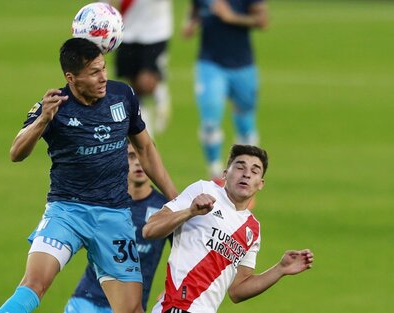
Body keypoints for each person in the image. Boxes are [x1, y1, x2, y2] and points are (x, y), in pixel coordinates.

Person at [0, 38, 177, 313]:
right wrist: (43, 120)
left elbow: (145, 148)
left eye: (103, 68)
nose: (103, 77)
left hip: (114, 216)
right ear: (71, 78)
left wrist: (175, 200)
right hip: (67, 211)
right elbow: (16, 152)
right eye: (94, 73)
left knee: (130, 308)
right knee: (33, 284)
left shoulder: (123, 96)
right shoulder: (54, 106)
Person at [143, 144, 314, 313]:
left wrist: (280, 269)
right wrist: (190, 212)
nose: (246, 174)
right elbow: (149, 229)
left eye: (254, 171)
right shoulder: (205, 190)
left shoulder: (252, 229)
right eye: (240, 167)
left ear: (260, 184)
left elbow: (237, 291)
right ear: (225, 173)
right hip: (178, 307)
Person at [64, 141, 172, 313]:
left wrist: (171, 290)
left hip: (130, 307)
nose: (138, 162)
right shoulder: (106, 200)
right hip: (87, 300)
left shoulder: (165, 207)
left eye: (142, 156)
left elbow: (185, 253)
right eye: (130, 156)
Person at [182, 0, 269, 183]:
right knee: (210, 121)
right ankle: (215, 174)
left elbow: (262, 20)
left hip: (242, 65)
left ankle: (248, 177)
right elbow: (195, 9)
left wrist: (231, 17)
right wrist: (190, 23)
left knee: (245, 122)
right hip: (210, 64)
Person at [112, 0, 173, 136]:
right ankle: (145, 129)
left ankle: (159, 92)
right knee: (133, 88)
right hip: (126, 30)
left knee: (145, 82)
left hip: (155, 31)